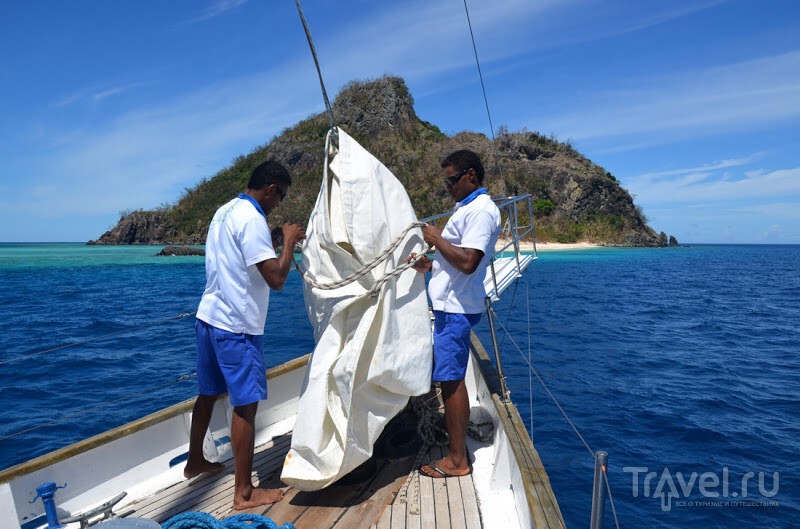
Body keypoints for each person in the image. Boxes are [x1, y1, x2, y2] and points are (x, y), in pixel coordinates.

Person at [183, 159, 306, 509]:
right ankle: (244, 493)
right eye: (279, 196)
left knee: (208, 394)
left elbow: (241, 253)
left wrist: (273, 239)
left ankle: (195, 461)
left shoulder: (225, 211)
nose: (278, 203)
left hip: (209, 318)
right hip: (237, 326)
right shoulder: (252, 219)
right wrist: (290, 243)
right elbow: (277, 279)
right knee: (245, 406)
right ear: (270, 189)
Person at [410, 149, 500, 478]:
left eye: (451, 180)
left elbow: (468, 261)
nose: (447, 187)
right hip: (451, 306)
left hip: (456, 309)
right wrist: (428, 264)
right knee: (450, 379)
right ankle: (457, 450)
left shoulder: (481, 211)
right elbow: (452, 261)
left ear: (471, 176)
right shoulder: (465, 209)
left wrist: (434, 237)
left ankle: (458, 460)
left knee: (451, 382)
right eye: (445, 181)